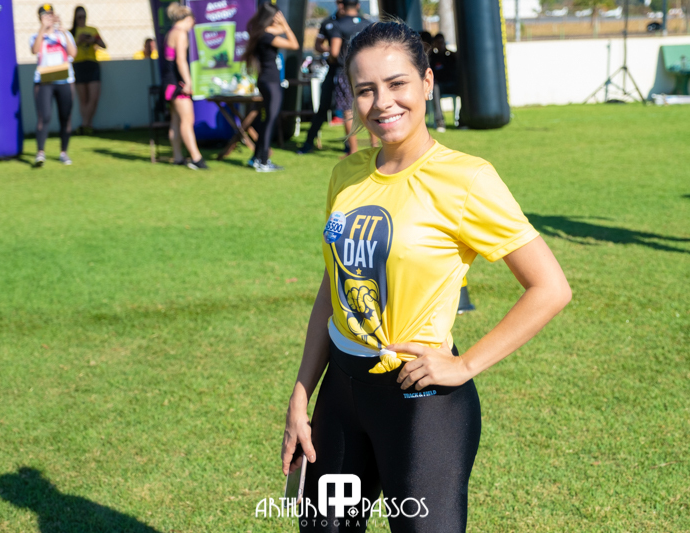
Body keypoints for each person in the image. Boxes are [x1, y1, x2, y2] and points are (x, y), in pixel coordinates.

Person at [280, 20, 572, 532]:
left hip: (420, 404)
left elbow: (550, 288)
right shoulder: (346, 176)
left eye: (397, 84)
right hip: (341, 395)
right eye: (366, 90)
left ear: (427, 83)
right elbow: (334, 286)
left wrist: (465, 365)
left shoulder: (467, 178)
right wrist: (302, 392)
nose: (383, 103)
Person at [242, 1, 299, 172]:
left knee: (267, 119)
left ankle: (256, 158)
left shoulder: (260, 33)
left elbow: (277, 31)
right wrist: (285, 25)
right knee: (270, 121)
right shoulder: (266, 36)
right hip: (271, 81)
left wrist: (281, 26)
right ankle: (263, 161)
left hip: (265, 80)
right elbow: (294, 44)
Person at [328, 0, 377, 156]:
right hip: (368, 71)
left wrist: (330, 59)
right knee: (372, 106)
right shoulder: (368, 24)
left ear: (342, 6)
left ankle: (353, 150)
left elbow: (334, 52)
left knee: (348, 111)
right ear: (358, 5)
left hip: (346, 71)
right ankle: (375, 146)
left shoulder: (338, 25)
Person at [30, 3, 77, 167]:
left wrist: (63, 31)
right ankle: (40, 152)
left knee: (65, 117)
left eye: (50, 15)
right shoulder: (36, 36)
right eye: (45, 15)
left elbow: (73, 53)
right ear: (40, 18)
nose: (48, 18)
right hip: (44, 81)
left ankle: (64, 152)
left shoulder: (64, 34)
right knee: (44, 117)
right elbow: (35, 50)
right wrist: (43, 29)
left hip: (64, 80)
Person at [162, 4, 207, 170]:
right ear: (188, 19)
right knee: (187, 120)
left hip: (168, 83)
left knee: (175, 120)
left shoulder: (170, 32)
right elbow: (180, 60)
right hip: (177, 84)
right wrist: (188, 82)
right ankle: (196, 158)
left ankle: (178, 157)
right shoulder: (180, 33)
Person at [296, 0, 344, 155]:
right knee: (323, 107)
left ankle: (353, 147)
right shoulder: (328, 22)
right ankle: (308, 143)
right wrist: (330, 50)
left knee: (351, 110)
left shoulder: (358, 22)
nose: (341, 5)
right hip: (333, 70)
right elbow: (318, 45)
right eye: (340, 2)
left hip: (351, 72)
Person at [70, 6, 104, 134]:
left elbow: (103, 45)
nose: (82, 19)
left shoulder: (92, 30)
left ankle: (84, 125)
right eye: (79, 17)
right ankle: (88, 126)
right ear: (75, 18)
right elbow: (68, 50)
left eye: (84, 17)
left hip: (92, 64)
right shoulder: (71, 32)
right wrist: (79, 41)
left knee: (94, 97)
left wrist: (93, 40)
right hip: (78, 65)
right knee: (83, 99)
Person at [429, 32, 456, 131]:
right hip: (439, 86)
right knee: (434, 87)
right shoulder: (432, 57)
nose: (440, 45)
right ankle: (439, 121)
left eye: (442, 42)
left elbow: (458, 59)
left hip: (451, 84)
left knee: (463, 86)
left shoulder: (449, 56)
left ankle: (463, 120)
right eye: (438, 43)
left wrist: (447, 51)